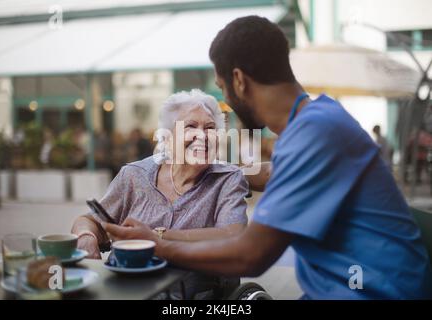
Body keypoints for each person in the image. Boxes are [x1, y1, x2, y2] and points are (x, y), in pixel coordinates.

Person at [103, 16, 432, 299]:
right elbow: (285, 172)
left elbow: (250, 255)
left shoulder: (313, 134)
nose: (227, 104)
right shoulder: (320, 118)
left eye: (222, 89)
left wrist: (155, 243)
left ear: (239, 80)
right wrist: (227, 172)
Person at [71, 89, 248, 298]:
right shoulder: (134, 175)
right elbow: (89, 219)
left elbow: (233, 235)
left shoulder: (228, 179)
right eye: (190, 126)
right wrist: (86, 237)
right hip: (125, 290)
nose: (202, 136)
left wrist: (156, 237)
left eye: (210, 128)